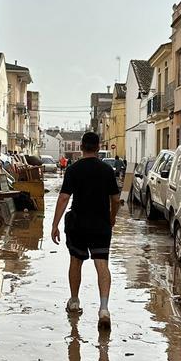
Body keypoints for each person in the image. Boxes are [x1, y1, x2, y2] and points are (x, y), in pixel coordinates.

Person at [51, 132, 121, 329]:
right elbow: (115, 199)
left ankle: (74, 301)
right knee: (102, 265)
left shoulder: (73, 169)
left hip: (78, 224)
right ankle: (104, 309)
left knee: (76, 261)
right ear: (98, 147)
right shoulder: (107, 170)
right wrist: (112, 216)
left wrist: (55, 224)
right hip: (101, 224)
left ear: (81, 147)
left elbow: (64, 198)